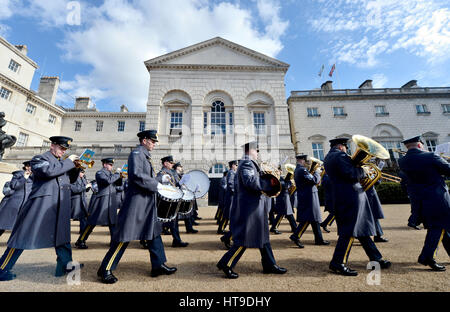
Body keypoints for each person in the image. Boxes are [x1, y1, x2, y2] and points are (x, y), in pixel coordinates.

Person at [97, 130, 176, 284]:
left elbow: (147, 177)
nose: (154, 144)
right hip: (137, 202)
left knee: (154, 233)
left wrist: (158, 180)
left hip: (146, 201)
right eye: (152, 141)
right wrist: (157, 184)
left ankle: (158, 264)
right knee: (124, 235)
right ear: (144, 140)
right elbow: (137, 176)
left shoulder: (145, 155)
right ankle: (105, 269)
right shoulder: (137, 154)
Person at [0, 136, 83, 281]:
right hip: (40, 204)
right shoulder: (39, 159)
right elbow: (48, 172)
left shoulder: (61, 163)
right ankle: (2, 268)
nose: (63, 151)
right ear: (52, 145)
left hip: (59, 205)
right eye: (61, 148)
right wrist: (68, 162)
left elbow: (70, 180)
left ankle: (66, 266)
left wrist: (76, 168)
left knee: (62, 237)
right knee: (22, 237)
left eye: (65, 149)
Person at [217, 141, 287, 279]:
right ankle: (227, 263)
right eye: (257, 150)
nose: (258, 153)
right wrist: (270, 182)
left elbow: (256, 178)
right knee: (245, 238)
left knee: (263, 236)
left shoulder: (249, 163)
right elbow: (250, 181)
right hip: (249, 207)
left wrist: (273, 175)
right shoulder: (247, 163)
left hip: (254, 206)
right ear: (251, 150)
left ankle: (269, 264)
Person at [324, 138, 391, 276]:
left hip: (345, 195)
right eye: (346, 147)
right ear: (341, 147)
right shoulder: (340, 156)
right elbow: (351, 174)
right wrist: (363, 170)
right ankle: (338, 263)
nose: (347, 150)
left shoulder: (329, 157)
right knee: (349, 230)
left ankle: (376, 259)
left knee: (362, 230)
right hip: (351, 195)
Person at [398, 135, 450, 271]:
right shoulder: (431, 156)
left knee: (443, 228)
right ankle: (427, 257)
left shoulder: (402, 161)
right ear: (421, 145)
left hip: (420, 200)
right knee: (438, 229)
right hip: (438, 199)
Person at [75, 158, 121, 249]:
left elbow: (118, 185)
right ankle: (81, 240)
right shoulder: (100, 173)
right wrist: (117, 174)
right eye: (110, 164)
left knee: (113, 223)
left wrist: (120, 177)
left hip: (111, 200)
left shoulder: (111, 174)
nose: (111, 166)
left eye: (111, 165)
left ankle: (114, 242)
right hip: (102, 200)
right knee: (92, 222)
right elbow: (108, 181)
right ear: (104, 164)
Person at [290, 154, 329, 248]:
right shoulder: (301, 170)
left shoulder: (300, 170)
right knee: (308, 217)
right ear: (302, 160)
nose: (307, 163)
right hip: (308, 196)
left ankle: (319, 239)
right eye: (305, 161)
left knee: (313, 218)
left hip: (309, 195)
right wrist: (316, 172)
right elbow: (314, 180)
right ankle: (295, 235)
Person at [157, 155, 189, 247]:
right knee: (159, 222)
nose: (172, 165)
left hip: (172, 201)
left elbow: (175, 185)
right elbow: (157, 184)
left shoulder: (171, 172)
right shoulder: (162, 173)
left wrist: (181, 182)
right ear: (165, 163)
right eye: (170, 163)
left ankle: (177, 240)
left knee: (173, 221)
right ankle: (147, 240)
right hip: (164, 202)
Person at [0, 161, 33, 237]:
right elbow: (13, 186)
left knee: (19, 230)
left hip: (24, 206)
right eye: (31, 166)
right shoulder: (19, 175)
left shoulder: (35, 178)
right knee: (2, 225)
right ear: (26, 167)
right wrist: (24, 178)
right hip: (12, 205)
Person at [270, 169, 297, 234]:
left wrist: (289, 181)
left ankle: (294, 227)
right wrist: (287, 181)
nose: (279, 172)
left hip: (285, 197)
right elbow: (282, 186)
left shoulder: (281, 178)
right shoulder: (275, 178)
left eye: (279, 170)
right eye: (277, 171)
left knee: (288, 213)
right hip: (282, 198)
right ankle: (274, 228)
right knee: (282, 213)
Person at [173, 162, 197, 234]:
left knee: (187, 212)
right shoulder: (174, 174)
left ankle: (189, 228)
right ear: (177, 167)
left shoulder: (179, 175)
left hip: (182, 195)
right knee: (176, 216)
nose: (181, 168)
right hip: (178, 196)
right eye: (180, 167)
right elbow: (175, 184)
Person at [217, 161, 237, 235]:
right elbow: (231, 184)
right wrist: (235, 191)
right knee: (228, 214)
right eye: (236, 165)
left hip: (231, 196)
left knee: (228, 214)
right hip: (231, 197)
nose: (237, 166)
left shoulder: (231, 172)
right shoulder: (231, 172)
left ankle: (222, 228)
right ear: (232, 165)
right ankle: (221, 229)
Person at [70, 169, 91, 235]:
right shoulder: (73, 178)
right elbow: (75, 190)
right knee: (70, 217)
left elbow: (86, 190)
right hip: (76, 200)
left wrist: (88, 186)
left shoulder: (83, 178)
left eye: (83, 172)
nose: (83, 174)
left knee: (84, 216)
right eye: (81, 172)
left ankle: (83, 231)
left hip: (83, 200)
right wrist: (85, 187)